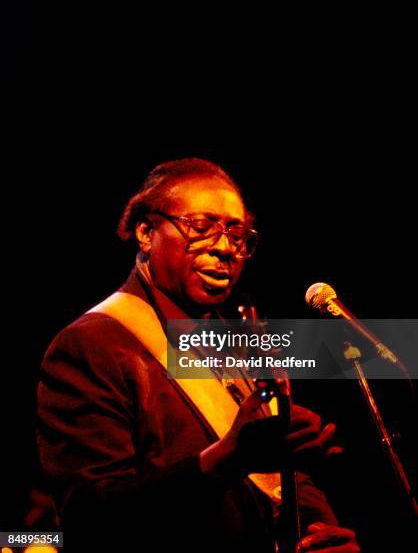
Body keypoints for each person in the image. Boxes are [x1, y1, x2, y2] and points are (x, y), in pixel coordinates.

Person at [37, 158, 360, 552]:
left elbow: (278, 474)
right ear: (145, 231)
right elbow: (91, 520)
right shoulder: (94, 345)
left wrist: (321, 528)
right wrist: (227, 457)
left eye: (239, 237)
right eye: (202, 228)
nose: (225, 248)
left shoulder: (239, 341)